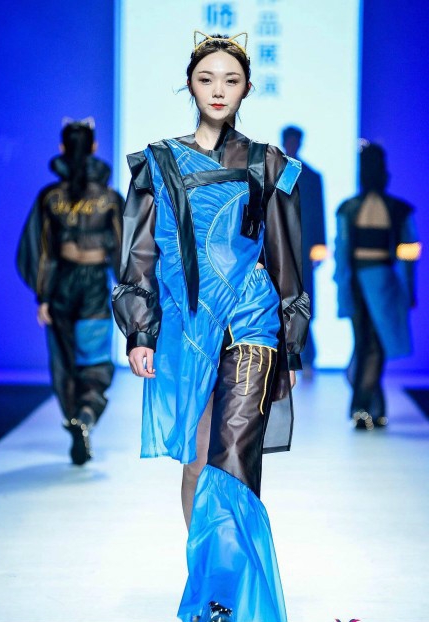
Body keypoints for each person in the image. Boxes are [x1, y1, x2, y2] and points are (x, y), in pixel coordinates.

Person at [113, 32, 310, 622]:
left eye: (231, 80)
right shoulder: (157, 163)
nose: (218, 90)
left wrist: (291, 346)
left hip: (252, 322)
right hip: (186, 325)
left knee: (234, 455)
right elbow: (140, 252)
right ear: (190, 86)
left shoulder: (270, 165)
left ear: (247, 88)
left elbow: (286, 260)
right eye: (206, 79)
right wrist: (140, 330)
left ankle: (226, 596)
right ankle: (208, 582)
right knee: (198, 461)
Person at [17, 119, 124, 465]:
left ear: (62, 148)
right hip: (94, 286)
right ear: (94, 148)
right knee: (94, 357)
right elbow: (125, 251)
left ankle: (73, 417)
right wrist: (131, 295)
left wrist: (43, 296)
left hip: (61, 284)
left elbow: (40, 250)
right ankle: (86, 414)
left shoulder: (50, 198)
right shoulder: (109, 199)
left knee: (63, 361)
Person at [334, 142, 420, 430]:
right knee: (375, 346)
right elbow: (408, 253)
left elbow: (342, 252)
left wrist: (343, 286)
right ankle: (362, 407)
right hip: (382, 282)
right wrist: (409, 288)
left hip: (357, 282)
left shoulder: (348, 208)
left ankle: (372, 407)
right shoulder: (398, 209)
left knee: (365, 344)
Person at [282, 125, 327, 375]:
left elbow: (318, 214)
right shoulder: (275, 174)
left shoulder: (311, 176)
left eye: (294, 142)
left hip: (304, 248)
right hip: (280, 248)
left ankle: (307, 357)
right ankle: (285, 356)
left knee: (305, 300)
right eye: (289, 141)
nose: (292, 146)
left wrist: (319, 249)